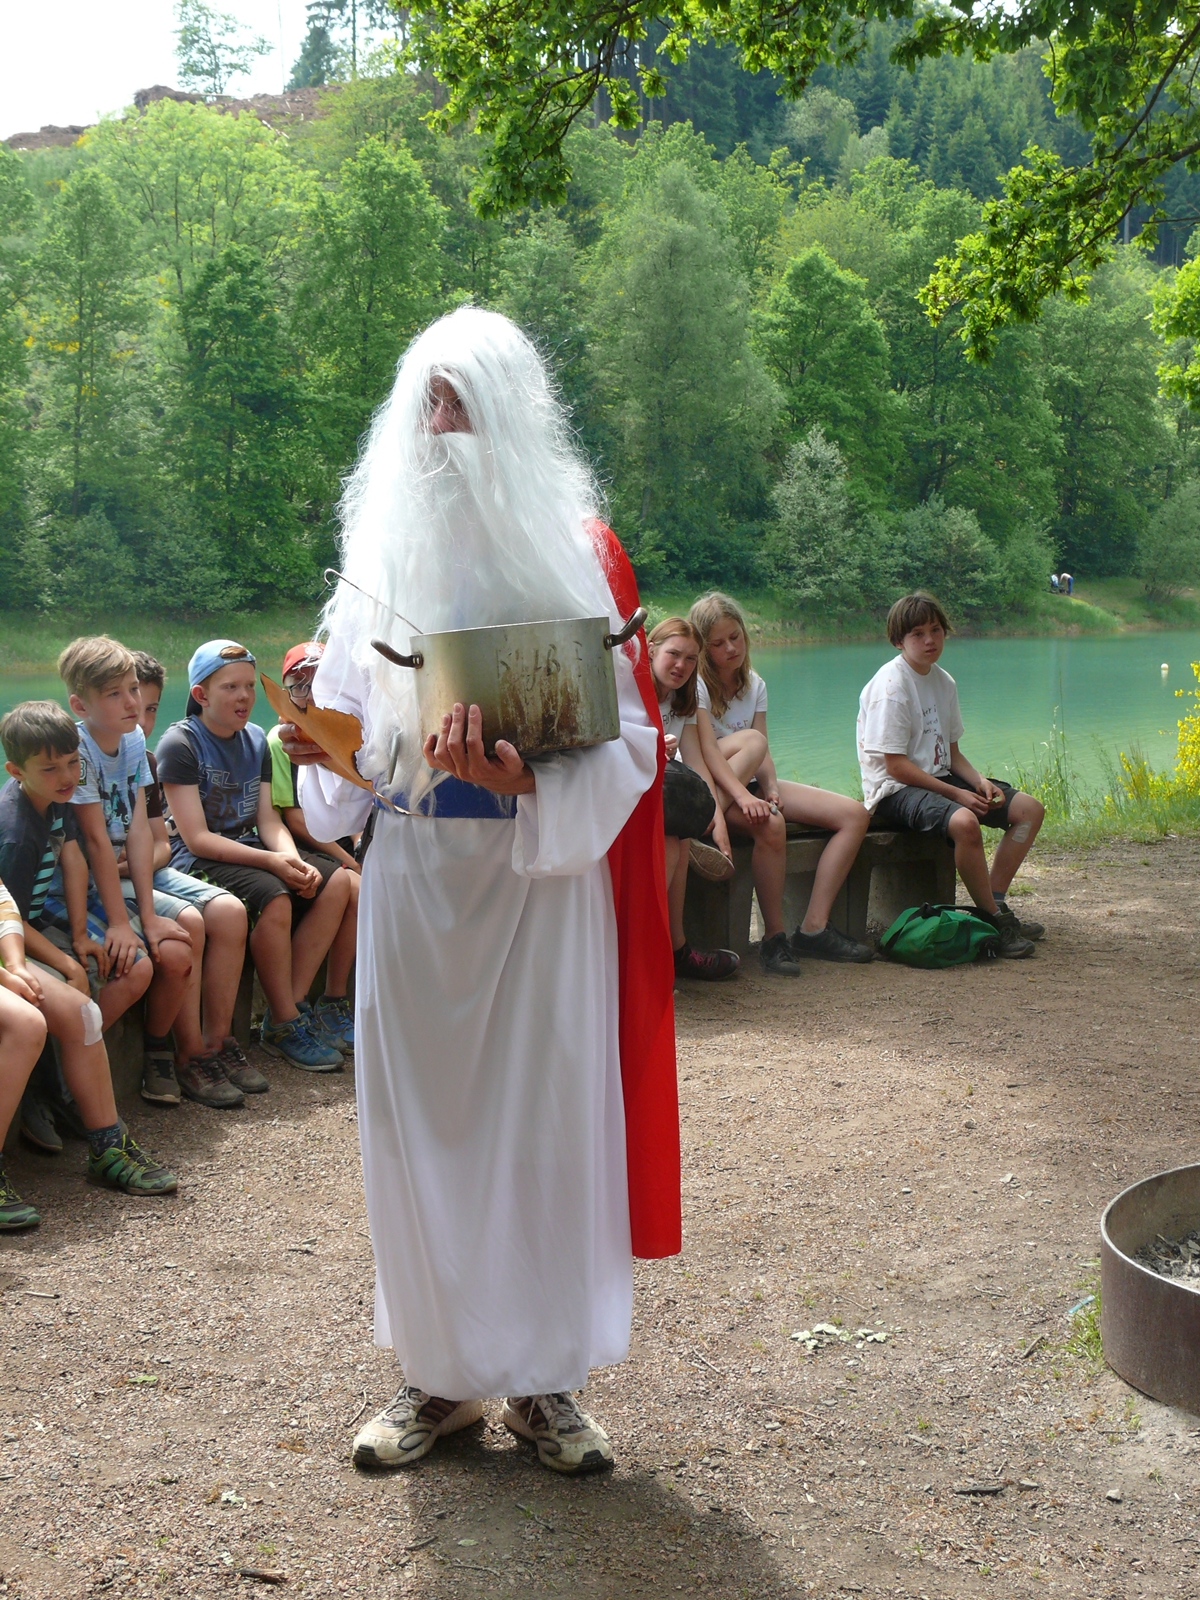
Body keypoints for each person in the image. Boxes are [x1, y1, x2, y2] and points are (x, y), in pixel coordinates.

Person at [283, 306, 678, 1474]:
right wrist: (324, 750)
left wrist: (517, 779)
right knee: (422, 1137)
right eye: (427, 401)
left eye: (461, 400)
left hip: (534, 887)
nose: (441, 424)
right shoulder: (373, 572)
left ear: (508, 414)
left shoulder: (576, 555)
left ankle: (546, 1386)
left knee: (543, 1127)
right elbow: (345, 789)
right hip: (412, 884)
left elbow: (631, 749)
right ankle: (437, 1378)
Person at [51, 635, 244, 1111]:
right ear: (80, 703)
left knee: (175, 947)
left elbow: (139, 828)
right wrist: (122, 922)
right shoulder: (79, 748)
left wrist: (151, 916)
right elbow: (96, 841)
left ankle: (167, 1049)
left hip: (120, 877)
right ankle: (60, 1079)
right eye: (114, 694)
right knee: (147, 958)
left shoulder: (134, 739)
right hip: (80, 886)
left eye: (133, 689)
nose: (132, 702)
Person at [0, 701, 177, 1195]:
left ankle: (106, 1145)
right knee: (78, 1009)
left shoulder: (56, 800)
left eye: (73, 763)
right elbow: (8, 913)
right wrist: (61, 960)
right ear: (16, 771)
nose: (66, 776)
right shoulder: (14, 832)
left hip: (29, 929)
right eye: (50, 767)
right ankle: (58, 1100)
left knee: (95, 998)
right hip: (13, 936)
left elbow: (75, 859)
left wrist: (80, 935)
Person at [156, 640, 354, 1072]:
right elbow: (196, 838)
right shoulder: (180, 744)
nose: (244, 696)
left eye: (249, 685)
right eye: (230, 687)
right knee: (276, 896)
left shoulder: (254, 741)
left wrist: (290, 858)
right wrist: (271, 863)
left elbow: (268, 822)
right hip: (197, 857)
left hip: (247, 846)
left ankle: (298, 1005)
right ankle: (281, 1023)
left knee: (336, 880)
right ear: (201, 695)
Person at [689, 592, 874, 976]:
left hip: (745, 785)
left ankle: (814, 928)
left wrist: (769, 787)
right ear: (704, 648)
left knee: (854, 815)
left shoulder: (754, 684)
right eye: (718, 643)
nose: (730, 648)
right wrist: (741, 797)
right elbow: (707, 755)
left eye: (735, 637)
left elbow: (763, 751)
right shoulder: (696, 687)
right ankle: (775, 938)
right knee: (770, 824)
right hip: (709, 787)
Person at [856, 592, 1044, 957]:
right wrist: (957, 795)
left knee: (1029, 810)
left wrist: (977, 781)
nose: (929, 641)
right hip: (894, 789)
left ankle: (994, 903)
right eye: (918, 634)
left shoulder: (944, 682)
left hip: (938, 778)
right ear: (899, 641)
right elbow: (894, 765)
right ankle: (993, 918)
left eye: (936, 630)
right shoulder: (891, 687)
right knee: (964, 823)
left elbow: (952, 753)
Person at [131, 651, 259, 1104]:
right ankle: (187, 1055)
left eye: (148, 708)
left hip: (148, 870)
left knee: (228, 911)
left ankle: (217, 1043)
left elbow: (160, 846)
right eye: (131, 707)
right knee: (194, 922)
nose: (141, 721)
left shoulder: (142, 760)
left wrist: (139, 860)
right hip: (122, 883)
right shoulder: (82, 766)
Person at [263, 641, 358, 1052]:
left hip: (336, 843)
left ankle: (334, 1002)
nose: (310, 691)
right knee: (348, 882)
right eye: (298, 683)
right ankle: (291, 1009)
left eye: (319, 679)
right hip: (305, 842)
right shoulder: (281, 738)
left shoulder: (339, 728)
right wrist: (349, 858)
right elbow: (295, 818)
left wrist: (357, 848)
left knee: (360, 887)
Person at [646, 617, 738, 981]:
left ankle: (673, 951)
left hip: (660, 797)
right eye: (673, 654)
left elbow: (696, 762)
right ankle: (659, 954)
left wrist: (714, 818)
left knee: (680, 836)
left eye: (690, 659)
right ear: (651, 650)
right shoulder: (631, 689)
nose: (681, 666)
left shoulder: (684, 694)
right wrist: (650, 746)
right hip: (623, 799)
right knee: (672, 842)